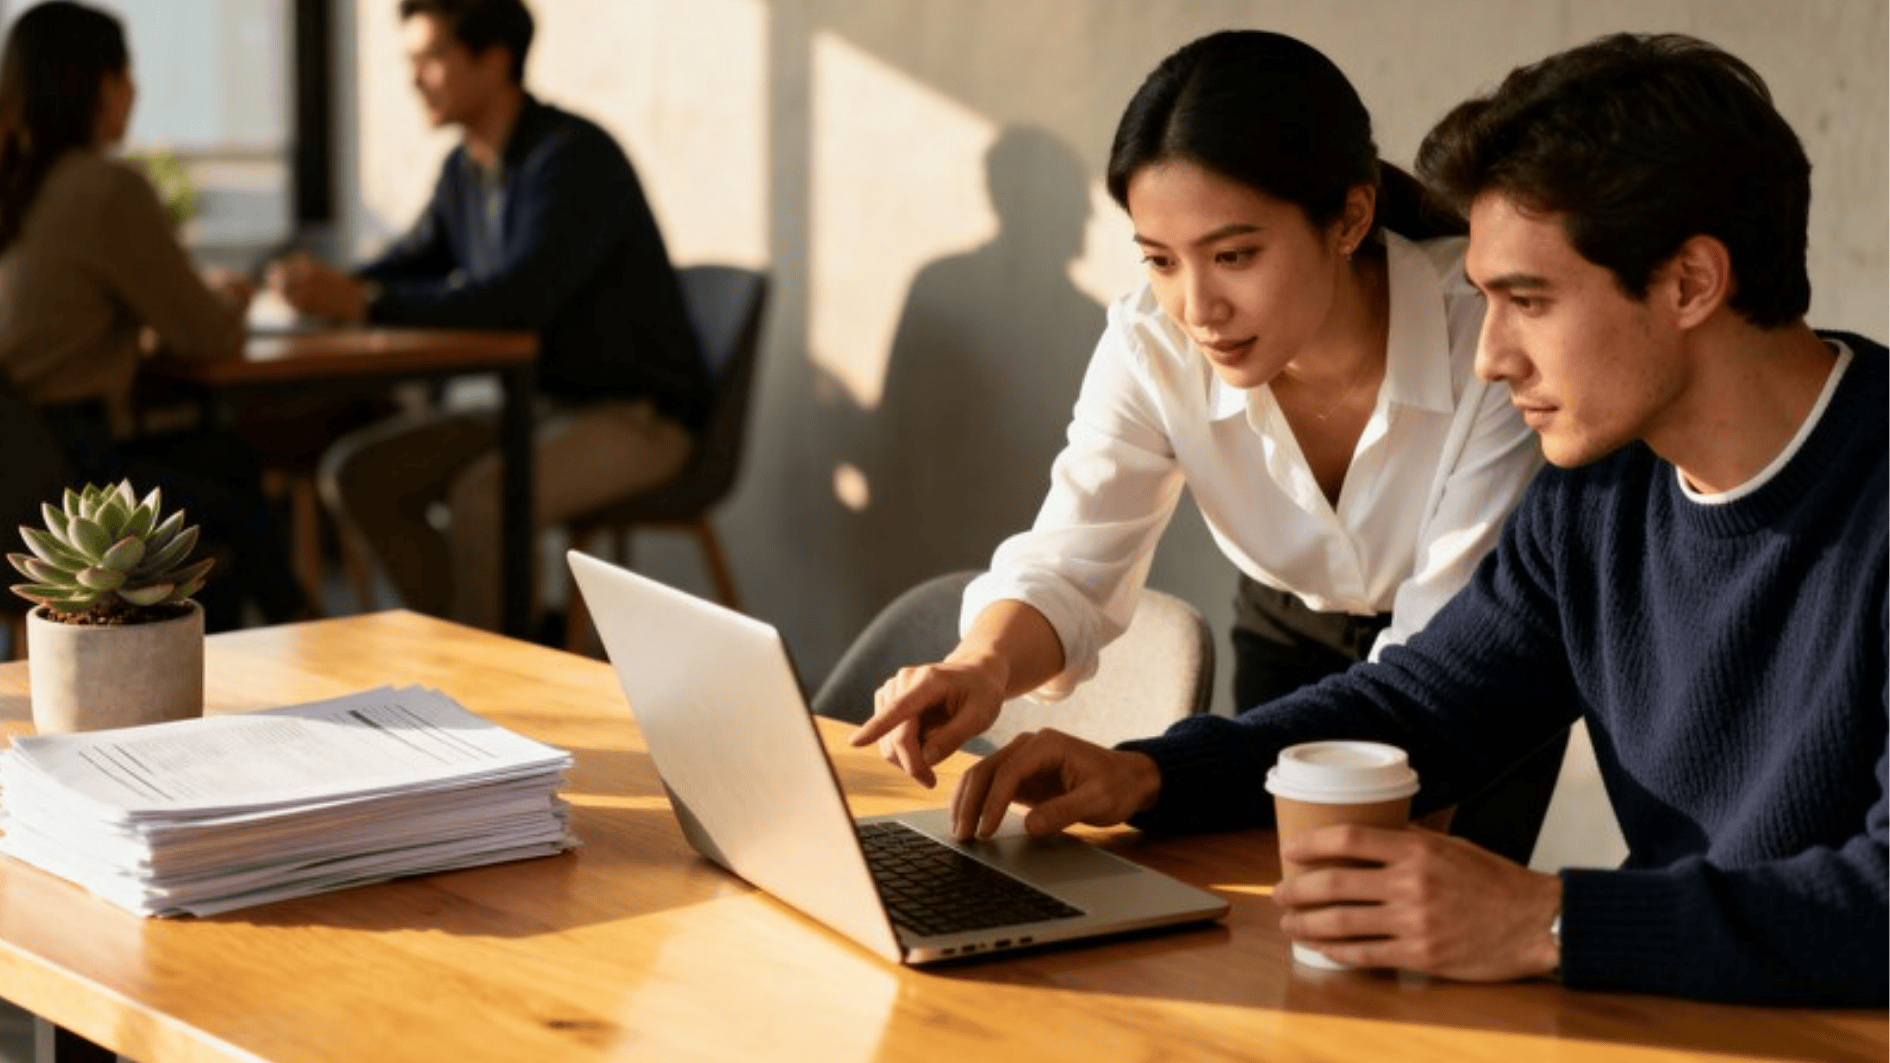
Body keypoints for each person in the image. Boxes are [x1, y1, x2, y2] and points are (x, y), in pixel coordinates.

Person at [938, 32, 1886, 1006]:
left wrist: (1544, 918)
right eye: (1485, 301)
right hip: (1691, 1014)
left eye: (1528, 301)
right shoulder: (1599, 491)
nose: (1490, 357)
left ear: (1691, 281)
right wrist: (1149, 775)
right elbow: (1424, 705)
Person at [853, 30, 1551, 860]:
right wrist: (981, 667)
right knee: (1266, 914)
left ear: (1349, 217)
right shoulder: (1152, 344)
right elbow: (1074, 559)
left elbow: (1439, 665)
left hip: (1477, 657)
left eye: (1234, 255)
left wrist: (1157, 769)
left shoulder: (1488, 337)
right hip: (1295, 628)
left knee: (1425, 943)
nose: (1197, 306)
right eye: (1159, 260)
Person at [269, 0, 709, 633]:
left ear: (495, 59)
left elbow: (517, 303)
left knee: (485, 498)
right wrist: (326, 287)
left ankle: (495, 669)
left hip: (637, 416)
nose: (415, 77)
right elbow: (411, 262)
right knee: (359, 473)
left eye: (433, 57)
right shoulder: (465, 168)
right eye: (412, 60)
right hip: (537, 407)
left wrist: (362, 302)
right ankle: (479, 638)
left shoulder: (571, 159)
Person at [0, 0, 310, 631]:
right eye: (126, 73)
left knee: (220, 466)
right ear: (95, 86)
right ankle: (302, 641)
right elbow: (207, 333)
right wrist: (234, 295)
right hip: (67, 480)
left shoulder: (17, 188)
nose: (136, 92)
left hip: (14, 471)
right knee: (228, 499)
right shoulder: (104, 187)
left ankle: (300, 631)